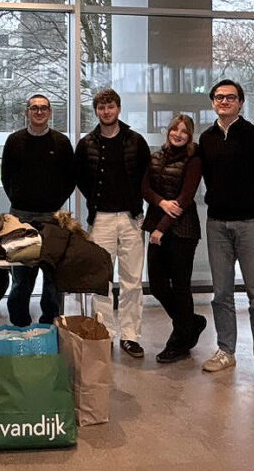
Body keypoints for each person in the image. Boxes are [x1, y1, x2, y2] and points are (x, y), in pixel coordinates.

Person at [198, 79, 254, 384]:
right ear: (213, 102)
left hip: (251, 224)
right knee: (221, 294)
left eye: (230, 97)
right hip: (217, 224)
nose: (224, 101)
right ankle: (226, 351)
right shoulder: (206, 139)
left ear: (240, 102)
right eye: (219, 97)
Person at [75, 88, 151, 358]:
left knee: (132, 281)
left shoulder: (135, 141)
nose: (106, 112)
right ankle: (104, 332)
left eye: (110, 107)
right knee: (101, 281)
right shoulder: (86, 144)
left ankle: (130, 336)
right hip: (101, 218)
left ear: (118, 109)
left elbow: (146, 176)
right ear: (96, 111)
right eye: (101, 107)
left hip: (131, 217)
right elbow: (80, 178)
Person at [1, 93, 75, 326]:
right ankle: (19, 322)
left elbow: (70, 178)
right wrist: (18, 198)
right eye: (34, 108)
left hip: (52, 217)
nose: (39, 112)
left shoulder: (61, 143)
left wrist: (55, 201)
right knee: (21, 275)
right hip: (20, 216)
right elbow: (5, 176)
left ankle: (49, 322)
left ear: (50, 112)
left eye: (43, 108)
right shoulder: (14, 141)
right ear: (27, 112)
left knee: (52, 276)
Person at [142, 113, 207, 364]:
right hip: (157, 226)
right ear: (168, 130)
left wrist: (161, 229)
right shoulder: (156, 156)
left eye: (184, 131)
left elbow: (185, 198)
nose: (178, 134)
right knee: (157, 285)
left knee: (180, 287)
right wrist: (160, 202)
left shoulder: (194, 159)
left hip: (183, 231)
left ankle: (179, 341)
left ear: (190, 136)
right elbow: (144, 188)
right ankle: (190, 323)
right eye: (175, 129)